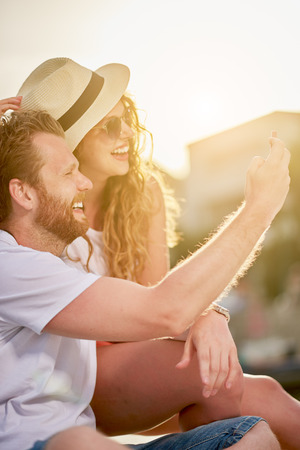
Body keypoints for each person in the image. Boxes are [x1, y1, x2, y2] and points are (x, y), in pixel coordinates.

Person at [1, 58, 299, 449]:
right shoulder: (37, 215)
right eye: (109, 125)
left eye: (126, 119)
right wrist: (258, 209)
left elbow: (162, 298)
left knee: (271, 399)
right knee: (204, 373)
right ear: (70, 139)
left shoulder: (141, 195)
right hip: (72, 374)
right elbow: (165, 308)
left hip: (130, 351)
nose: (125, 132)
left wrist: (207, 315)